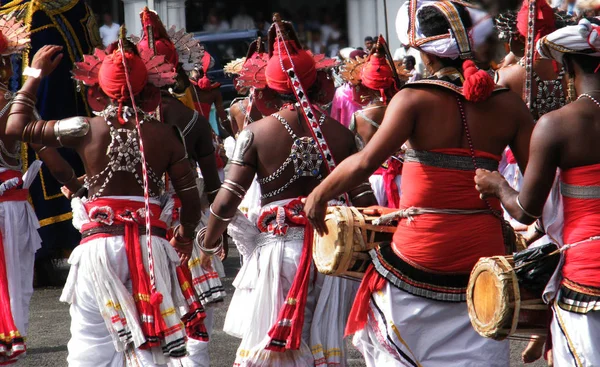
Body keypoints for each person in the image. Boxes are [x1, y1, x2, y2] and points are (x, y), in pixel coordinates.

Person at [304, 1, 535, 366]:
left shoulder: (412, 99)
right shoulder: (509, 105)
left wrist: (319, 195)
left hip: (422, 255)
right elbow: (535, 190)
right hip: (484, 261)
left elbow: (365, 162)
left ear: (422, 51)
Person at [6, 35, 205, 365]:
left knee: (92, 345)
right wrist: (183, 236)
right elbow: (191, 200)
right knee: (150, 347)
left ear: (97, 94)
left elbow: (16, 125)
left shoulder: (84, 128)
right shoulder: (166, 136)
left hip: (98, 251)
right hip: (151, 250)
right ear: (150, 92)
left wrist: (34, 74)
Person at [200, 14, 376, 366]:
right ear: (318, 84)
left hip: (278, 253)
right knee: (316, 343)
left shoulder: (258, 133)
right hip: (328, 254)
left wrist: (209, 240)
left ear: (267, 88)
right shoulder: (341, 133)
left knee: (274, 348)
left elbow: (226, 199)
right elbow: (366, 202)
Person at [474, 17, 600, 367]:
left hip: (587, 278)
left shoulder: (556, 125)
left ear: (568, 65)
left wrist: (496, 184)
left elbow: (525, 212)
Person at [137, 11, 226, 366]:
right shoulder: (194, 121)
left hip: (138, 223)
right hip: (188, 218)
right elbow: (214, 185)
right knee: (194, 305)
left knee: (144, 301)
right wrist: (217, 232)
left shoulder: (118, 120)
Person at [343, 36, 407, 208]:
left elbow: (353, 153)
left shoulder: (357, 117)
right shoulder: (404, 110)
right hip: (404, 181)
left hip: (372, 184)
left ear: (364, 86)